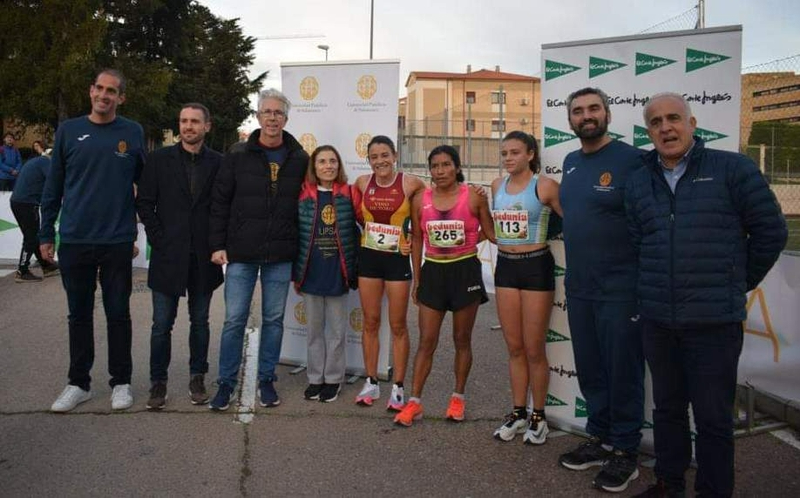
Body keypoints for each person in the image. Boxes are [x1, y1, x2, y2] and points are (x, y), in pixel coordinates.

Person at [627, 93, 787, 498]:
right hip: (658, 320)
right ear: (648, 131)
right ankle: (669, 482)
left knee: (714, 419)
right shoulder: (638, 179)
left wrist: (735, 281)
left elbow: (771, 232)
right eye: (656, 122)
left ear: (693, 123)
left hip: (713, 323)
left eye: (674, 118)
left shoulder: (732, 169)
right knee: (666, 410)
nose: (666, 127)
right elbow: (637, 242)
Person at [557, 87, 646, 493]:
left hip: (621, 289)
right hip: (580, 287)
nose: (586, 116)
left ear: (608, 114)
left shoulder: (634, 161)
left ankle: (626, 451)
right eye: (578, 111)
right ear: (570, 120)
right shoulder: (571, 162)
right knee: (592, 369)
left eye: (594, 108)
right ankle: (601, 436)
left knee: (622, 371)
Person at [41, 69, 145, 412]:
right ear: (90, 91)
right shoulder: (69, 131)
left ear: (121, 98)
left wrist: (135, 232)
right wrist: (45, 234)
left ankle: (121, 382)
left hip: (116, 240)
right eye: (99, 88)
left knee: (118, 314)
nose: (104, 95)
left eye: (111, 91)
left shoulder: (133, 132)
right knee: (78, 315)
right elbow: (53, 187)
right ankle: (78, 384)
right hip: (74, 239)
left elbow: (144, 188)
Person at [208, 88, 308, 411]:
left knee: (274, 320)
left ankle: (266, 380)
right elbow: (220, 202)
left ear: (286, 118)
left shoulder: (300, 158)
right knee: (234, 321)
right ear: (258, 116)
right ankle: (225, 383)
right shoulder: (237, 154)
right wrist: (218, 245)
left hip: (280, 255)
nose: (272, 118)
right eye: (267, 112)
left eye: (278, 113)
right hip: (241, 254)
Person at [394, 145, 495, 427]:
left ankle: (457, 398)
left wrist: (468, 241)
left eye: (446, 165)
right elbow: (416, 239)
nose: (440, 171)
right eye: (435, 166)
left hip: (465, 273)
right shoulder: (419, 199)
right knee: (427, 341)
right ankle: (414, 402)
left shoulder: (473, 196)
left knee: (461, 339)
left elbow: (490, 233)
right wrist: (417, 278)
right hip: (434, 273)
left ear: (457, 167)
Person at [136, 103, 224, 410]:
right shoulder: (158, 160)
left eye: (195, 121)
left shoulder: (218, 163)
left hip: (204, 257)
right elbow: (145, 203)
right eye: (184, 121)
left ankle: (197, 377)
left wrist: (218, 244)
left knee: (200, 322)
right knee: (162, 324)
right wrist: (159, 240)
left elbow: (221, 208)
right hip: (167, 255)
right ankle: (157, 383)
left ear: (206, 126)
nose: (188, 126)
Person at [490, 131, 562, 445]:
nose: (508, 158)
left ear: (530, 154)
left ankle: (539, 415)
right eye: (504, 153)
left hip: (536, 266)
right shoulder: (496, 186)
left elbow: (574, 221)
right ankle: (519, 412)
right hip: (506, 266)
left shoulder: (545, 186)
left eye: (515, 152)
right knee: (514, 347)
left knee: (534, 349)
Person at [353, 135, 425, 410]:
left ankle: (398, 386)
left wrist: (473, 193)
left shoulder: (411, 183)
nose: (380, 161)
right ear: (368, 160)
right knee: (370, 322)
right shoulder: (362, 183)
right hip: (369, 260)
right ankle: (371, 381)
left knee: (398, 326)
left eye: (385, 155)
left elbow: (439, 200)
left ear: (395, 156)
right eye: (374, 157)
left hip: (397, 261)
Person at [294, 145, 360, 403]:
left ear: (339, 165)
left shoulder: (349, 193)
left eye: (333, 161)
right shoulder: (303, 194)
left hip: (338, 273)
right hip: (310, 273)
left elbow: (368, 219)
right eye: (322, 161)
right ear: (314, 166)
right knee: (313, 332)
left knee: (336, 332)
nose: (328, 166)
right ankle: (315, 378)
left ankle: (333, 379)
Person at [10, 150, 60, 282]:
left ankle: (46, 265)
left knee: (34, 235)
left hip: (18, 201)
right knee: (31, 237)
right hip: (27, 202)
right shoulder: (46, 163)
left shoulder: (36, 161)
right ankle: (22, 270)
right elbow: (54, 181)